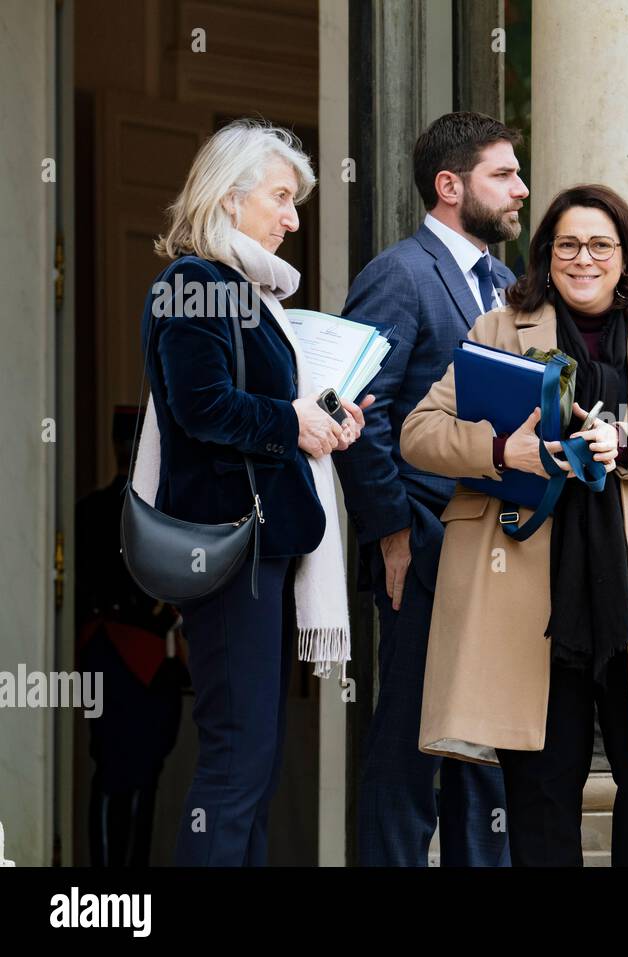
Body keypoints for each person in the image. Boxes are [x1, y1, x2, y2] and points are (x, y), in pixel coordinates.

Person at [400, 184, 628, 867]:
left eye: (601, 245)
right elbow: (419, 434)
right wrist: (499, 450)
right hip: (533, 601)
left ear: (626, 256)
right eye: (568, 245)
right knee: (542, 799)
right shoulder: (497, 330)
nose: (584, 259)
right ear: (545, 256)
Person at [136, 119, 370, 866]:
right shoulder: (194, 283)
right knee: (237, 763)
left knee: (253, 766)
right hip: (228, 547)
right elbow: (201, 407)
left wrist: (325, 419)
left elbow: (254, 406)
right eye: (280, 198)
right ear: (229, 198)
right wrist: (291, 420)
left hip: (260, 544)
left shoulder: (246, 293)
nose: (293, 217)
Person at [334, 112, 525, 867]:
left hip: (496, 553)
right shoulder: (400, 274)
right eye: (503, 174)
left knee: (482, 751)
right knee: (411, 745)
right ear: (450, 186)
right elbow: (359, 416)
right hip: (423, 547)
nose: (521, 188)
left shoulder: (509, 283)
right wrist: (391, 532)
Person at [76, 405, 187, 867]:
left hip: (106, 655)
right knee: (138, 773)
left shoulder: (89, 510)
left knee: (116, 770)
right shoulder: (156, 514)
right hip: (138, 658)